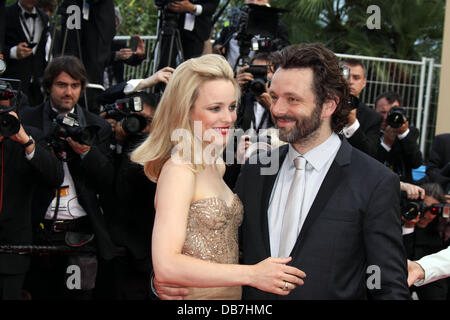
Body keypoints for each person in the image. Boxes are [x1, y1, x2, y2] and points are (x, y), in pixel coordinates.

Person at [156, 44, 410, 300]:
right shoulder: (256, 170)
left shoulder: (373, 182)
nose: (276, 110)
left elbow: (388, 287)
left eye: (292, 99)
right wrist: (168, 284)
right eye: (274, 96)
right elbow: (219, 244)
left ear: (328, 106)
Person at [131, 54, 305, 300]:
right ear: (186, 111)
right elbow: (166, 265)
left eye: (232, 106)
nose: (228, 118)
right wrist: (252, 275)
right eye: (215, 108)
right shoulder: (180, 169)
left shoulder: (217, 165)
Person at [19, 56, 119, 299]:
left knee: (77, 296)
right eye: (62, 85)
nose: (68, 92)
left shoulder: (97, 127)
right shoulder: (26, 119)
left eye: (75, 86)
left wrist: (85, 151)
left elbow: (107, 179)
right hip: (35, 227)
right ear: (48, 86)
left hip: (81, 231)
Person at [0, 88, 63, 300]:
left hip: (13, 252)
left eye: (5, 109)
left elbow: (55, 177)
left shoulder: (30, 136)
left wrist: (25, 141)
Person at [402, 182, 448, 299]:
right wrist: (409, 226)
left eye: (433, 210)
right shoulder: (402, 220)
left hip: (430, 275)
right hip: (405, 271)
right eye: (424, 207)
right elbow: (403, 256)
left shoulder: (442, 228)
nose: (427, 215)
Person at [213, 0, 290, 71]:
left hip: (258, 77)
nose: (255, 2)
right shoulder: (236, 21)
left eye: (259, 0)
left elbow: (285, 51)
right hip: (229, 74)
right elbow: (219, 41)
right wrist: (218, 46)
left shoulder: (276, 26)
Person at [3, 0, 50, 106]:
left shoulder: (43, 17)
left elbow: (42, 53)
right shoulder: (6, 13)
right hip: (12, 82)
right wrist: (12, 52)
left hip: (36, 86)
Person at [374, 91, 423, 183]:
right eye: (383, 112)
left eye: (391, 113)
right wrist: (386, 144)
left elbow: (416, 163)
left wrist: (403, 134)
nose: (387, 117)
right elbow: (371, 164)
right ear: (374, 110)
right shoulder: (369, 131)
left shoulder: (410, 133)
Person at [157, 0, 219, 69]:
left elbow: (211, 7)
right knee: (165, 64)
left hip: (196, 32)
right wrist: (170, 4)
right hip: (170, 25)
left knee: (191, 68)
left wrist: (192, 8)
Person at [340, 59, 383, 158]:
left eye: (356, 77)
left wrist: (352, 124)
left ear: (363, 83)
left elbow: (371, 154)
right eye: (345, 76)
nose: (350, 82)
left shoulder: (373, 118)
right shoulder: (321, 108)